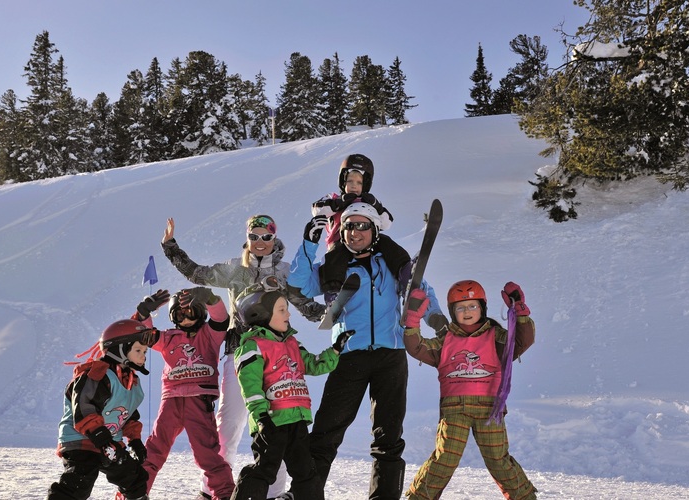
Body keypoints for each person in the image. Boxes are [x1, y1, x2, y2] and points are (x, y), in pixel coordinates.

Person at [289, 202, 448, 499]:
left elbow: (421, 290)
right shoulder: (334, 266)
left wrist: (435, 318)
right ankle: (304, 494)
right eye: (349, 226)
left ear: (374, 230)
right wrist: (310, 243)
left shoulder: (393, 263)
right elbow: (299, 283)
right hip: (349, 354)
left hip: (391, 355)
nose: (355, 232)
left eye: (362, 226)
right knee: (326, 431)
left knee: (389, 436)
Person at [162, 214, 325, 500]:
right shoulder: (235, 269)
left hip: (278, 358)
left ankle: (275, 493)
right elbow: (198, 273)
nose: (260, 242)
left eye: (266, 236)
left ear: (274, 238)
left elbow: (306, 305)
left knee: (280, 423)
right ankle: (212, 487)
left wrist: (331, 312)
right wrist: (170, 246)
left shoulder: (286, 272)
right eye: (254, 236)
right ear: (247, 238)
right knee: (229, 422)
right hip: (241, 351)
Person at [402, 280, 537, 500]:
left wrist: (520, 311)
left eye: (472, 306)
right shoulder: (445, 339)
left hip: (490, 409)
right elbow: (417, 347)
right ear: (452, 311)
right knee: (445, 459)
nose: (467, 311)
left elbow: (522, 341)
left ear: (482, 307)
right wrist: (413, 322)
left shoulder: (496, 337)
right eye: (460, 307)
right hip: (456, 410)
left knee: (498, 460)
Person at [230, 289, 350, 500]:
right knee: (264, 470)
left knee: (306, 473)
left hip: (297, 420)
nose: (288, 314)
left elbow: (312, 365)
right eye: (282, 310)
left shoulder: (292, 343)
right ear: (262, 314)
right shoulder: (252, 346)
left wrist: (335, 350)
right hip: (271, 422)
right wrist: (262, 418)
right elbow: (250, 387)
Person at [133, 287, 235, 499]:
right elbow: (143, 336)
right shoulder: (168, 338)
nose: (186, 318)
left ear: (201, 312)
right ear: (173, 317)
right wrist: (143, 314)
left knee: (206, 452)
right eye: (180, 314)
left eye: (191, 312)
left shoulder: (209, 335)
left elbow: (221, 318)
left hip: (199, 399)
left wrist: (210, 298)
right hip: (171, 400)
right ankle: (134, 492)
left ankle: (225, 494)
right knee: (154, 449)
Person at [48, 319, 155, 500]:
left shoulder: (132, 383)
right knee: (81, 479)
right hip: (82, 439)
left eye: (145, 351)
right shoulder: (98, 375)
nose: (143, 355)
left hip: (111, 442)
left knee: (134, 476)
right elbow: (84, 407)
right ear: (118, 350)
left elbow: (128, 416)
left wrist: (135, 440)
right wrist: (102, 439)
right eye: (138, 350)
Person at [308, 153, 411, 298]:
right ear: (342, 181)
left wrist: (376, 206)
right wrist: (337, 204)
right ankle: (333, 294)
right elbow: (316, 210)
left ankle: (405, 273)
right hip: (340, 243)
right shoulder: (333, 198)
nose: (354, 186)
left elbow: (387, 223)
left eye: (359, 183)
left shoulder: (367, 202)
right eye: (350, 181)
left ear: (366, 184)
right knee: (333, 258)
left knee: (386, 242)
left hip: (366, 243)